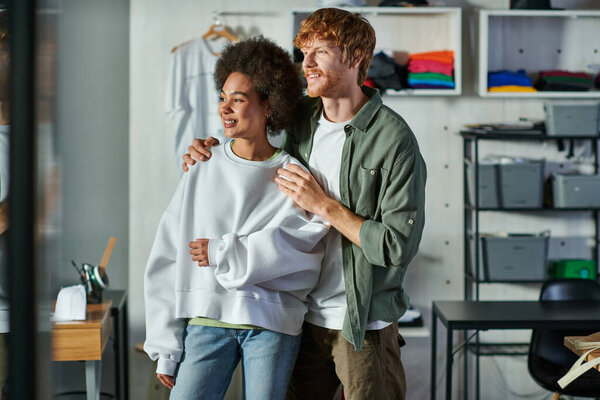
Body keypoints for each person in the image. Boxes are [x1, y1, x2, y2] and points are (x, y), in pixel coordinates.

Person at [183, 8, 426, 400]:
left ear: (355, 57)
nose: (306, 63)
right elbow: (255, 152)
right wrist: (211, 147)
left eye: (319, 53)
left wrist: (326, 206)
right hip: (300, 316)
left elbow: (397, 247)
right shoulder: (300, 123)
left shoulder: (393, 140)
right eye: (303, 52)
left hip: (361, 322)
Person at [144, 36, 329, 400]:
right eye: (222, 97)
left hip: (272, 324)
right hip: (207, 320)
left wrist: (222, 252)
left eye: (238, 99)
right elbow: (167, 252)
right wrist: (165, 345)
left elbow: (303, 254)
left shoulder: (293, 175)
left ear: (269, 104)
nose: (225, 108)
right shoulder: (202, 165)